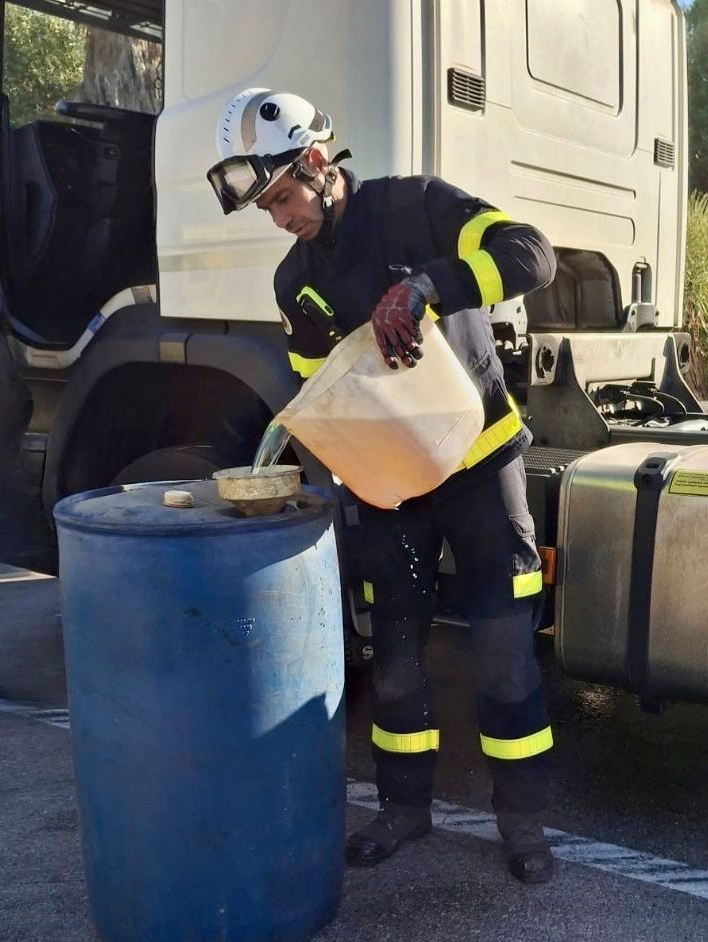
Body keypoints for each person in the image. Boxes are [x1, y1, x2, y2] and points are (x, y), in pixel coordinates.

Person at [207, 89, 558, 883]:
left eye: (283, 197)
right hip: (389, 494)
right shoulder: (293, 281)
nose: (278, 218)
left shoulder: (416, 205)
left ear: (318, 164)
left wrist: (430, 286)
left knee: (503, 655)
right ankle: (404, 809)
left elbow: (532, 253)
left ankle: (524, 825)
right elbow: (316, 399)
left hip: (479, 469)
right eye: (264, 207)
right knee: (395, 660)